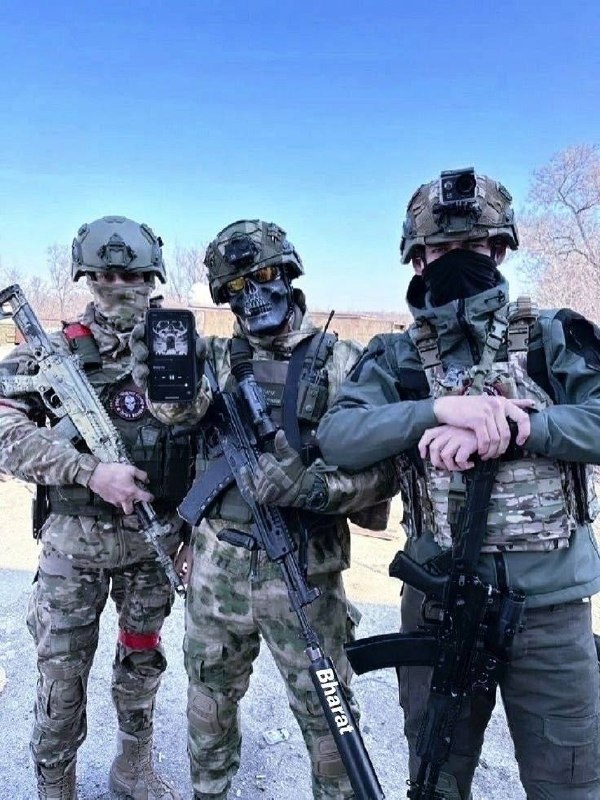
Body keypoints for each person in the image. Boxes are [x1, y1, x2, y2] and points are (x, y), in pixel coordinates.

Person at [317, 170, 600, 800]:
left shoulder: (552, 334)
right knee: (436, 782)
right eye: (441, 249)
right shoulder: (395, 355)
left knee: (571, 785)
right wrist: (436, 411)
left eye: (472, 246)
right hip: (439, 600)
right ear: (417, 259)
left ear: (499, 250)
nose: (456, 259)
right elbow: (338, 437)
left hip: (550, 610)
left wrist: (518, 426)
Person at [131, 219, 401, 800]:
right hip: (216, 573)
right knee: (207, 709)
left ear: (291, 274)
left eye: (265, 276)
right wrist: (158, 377)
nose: (252, 295)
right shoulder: (210, 357)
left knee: (330, 726)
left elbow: (385, 474)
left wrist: (312, 487)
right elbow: (176, 413)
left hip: (305, 571)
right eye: (235, 287)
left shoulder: (344, 363)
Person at [0, 216, 194, 800]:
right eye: (106, 276)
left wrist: (191, 532)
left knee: (142, 663)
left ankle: (132, 768)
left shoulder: (180, 353)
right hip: (72, 549)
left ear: (152, 279)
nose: (119, 288)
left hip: (154, 543)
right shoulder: (53, 352)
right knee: (62, 676)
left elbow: (210, 445)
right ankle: (54, 782)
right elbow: (4, 432)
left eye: (132, 277)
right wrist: (89, 471)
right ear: (87, 278)